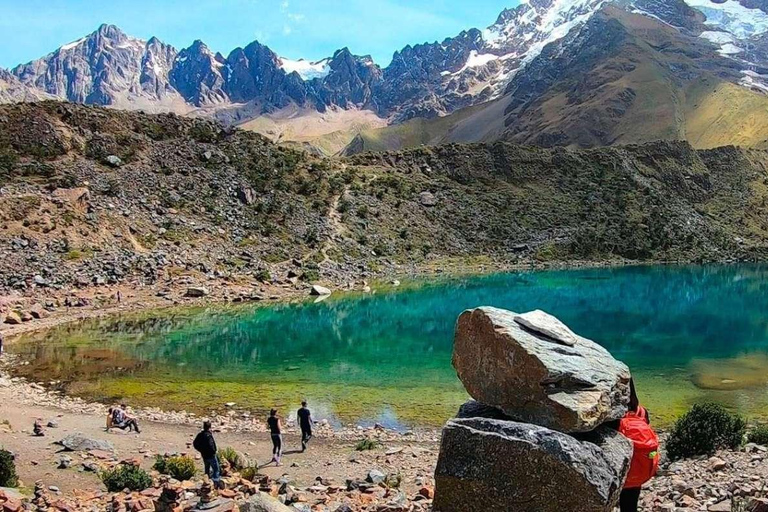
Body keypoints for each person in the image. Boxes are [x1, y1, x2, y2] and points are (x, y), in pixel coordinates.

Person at [616, 379, 660, 512]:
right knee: (630, 507)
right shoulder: (642, 412)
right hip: (639, 469)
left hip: (619, 471)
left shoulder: (613, 417)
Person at [193, 420, 221, 488]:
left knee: (207, 469)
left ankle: (206, 483)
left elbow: (195, 443)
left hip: (204, 455)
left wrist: (200, 450)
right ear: (210, 427)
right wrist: (214, 451)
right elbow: (211, 445)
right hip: (211, 455)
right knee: (216, 469)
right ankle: (215, 484)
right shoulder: (208, 435)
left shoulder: (200, 435)